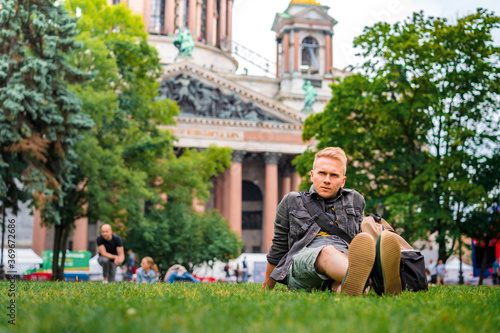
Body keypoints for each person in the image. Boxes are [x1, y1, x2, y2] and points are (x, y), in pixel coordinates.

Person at [262, 147, 402, 296]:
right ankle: (375, 280)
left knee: (345, 286)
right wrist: (266, 287)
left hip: (344, 259)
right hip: (304, 262)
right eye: (322, 173)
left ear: (343, 181)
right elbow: (279, 247)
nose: (327, 180)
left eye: (334, 175)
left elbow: (356, 239)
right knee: (327, 251)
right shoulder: (292, 200)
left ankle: (359, 284)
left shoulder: (355, 200)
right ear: (312, 175)